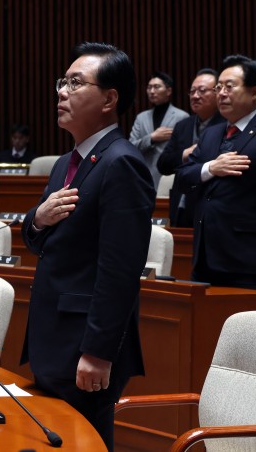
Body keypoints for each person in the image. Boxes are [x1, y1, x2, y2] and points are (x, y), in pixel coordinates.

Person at [21, 42, 155, 451]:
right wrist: (38, 218)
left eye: (75, 83)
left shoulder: (121, 163)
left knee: (86, 443)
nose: (62, 91)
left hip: (85, 345)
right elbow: (38, 239)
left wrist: (98, 352)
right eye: (62, 82)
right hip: (54, 337)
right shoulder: (67, 163)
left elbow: (120, 270)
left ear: (109, 99)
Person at [174, 55, 256, 291]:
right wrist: (211, 168)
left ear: (254, 92)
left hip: (246, 260)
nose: (221, 93)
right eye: (218, 87)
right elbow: (182, 178)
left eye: (229, 87)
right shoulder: (211, 134)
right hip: (204, 255)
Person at [157, 68, 225, 227]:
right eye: (192, 91)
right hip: (180, 205)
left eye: (202, 91)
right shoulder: (182, 126)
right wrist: (185, 154)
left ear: (217, 92)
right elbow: (163, 164)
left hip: (210, 206)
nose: (195, 96)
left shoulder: (226, 125)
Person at [129, 71, 189, 188]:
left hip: (170, 177)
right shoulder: (141, 118)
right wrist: (151, 138)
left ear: (168, 91)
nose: (152, 91)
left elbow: (184, 151)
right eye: (149, 87)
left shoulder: (182, 117)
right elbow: (131, 147)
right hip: (143, 176)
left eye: (156, 87)